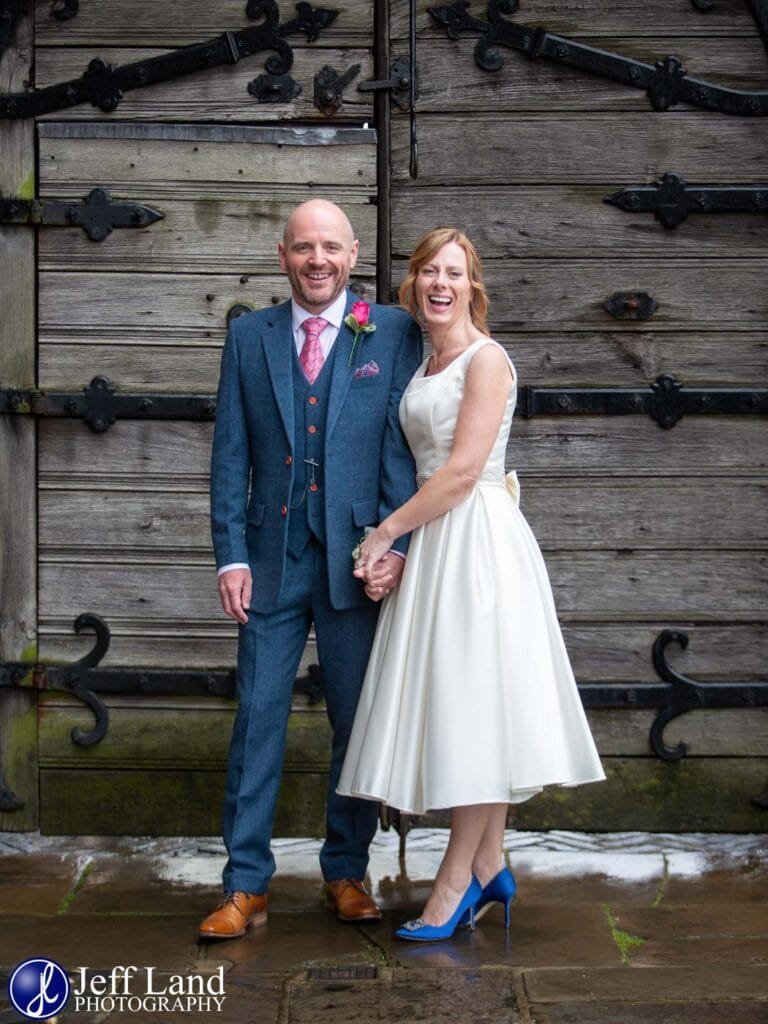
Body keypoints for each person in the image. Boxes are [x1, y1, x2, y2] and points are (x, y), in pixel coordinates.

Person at [337, 227, 605, 941]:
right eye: (428, 271)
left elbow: (460, 473)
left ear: (472, 284)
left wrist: (386, 532)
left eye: (453, 272)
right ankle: (491, 866)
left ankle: (455, 884)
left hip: (477, 539)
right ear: (413, 284)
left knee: (478, 707)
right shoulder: (426, 363)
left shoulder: (487, 360)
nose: (440, 284)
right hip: (439, 542)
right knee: (467, 707)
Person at [200, 199, 423, 940]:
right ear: (282, 254)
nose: (317, 260)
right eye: (303, 248)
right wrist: (231, 553)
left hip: (358, 563)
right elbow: (231, 454)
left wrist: (393, 546)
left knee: (355, 722)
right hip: (269, 561)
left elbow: (403, 447)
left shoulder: (391, 331)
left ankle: (346, 870)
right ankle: (244, 885)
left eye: (330, 246)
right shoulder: (248, 337)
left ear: (352, 253)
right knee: (257, 716)